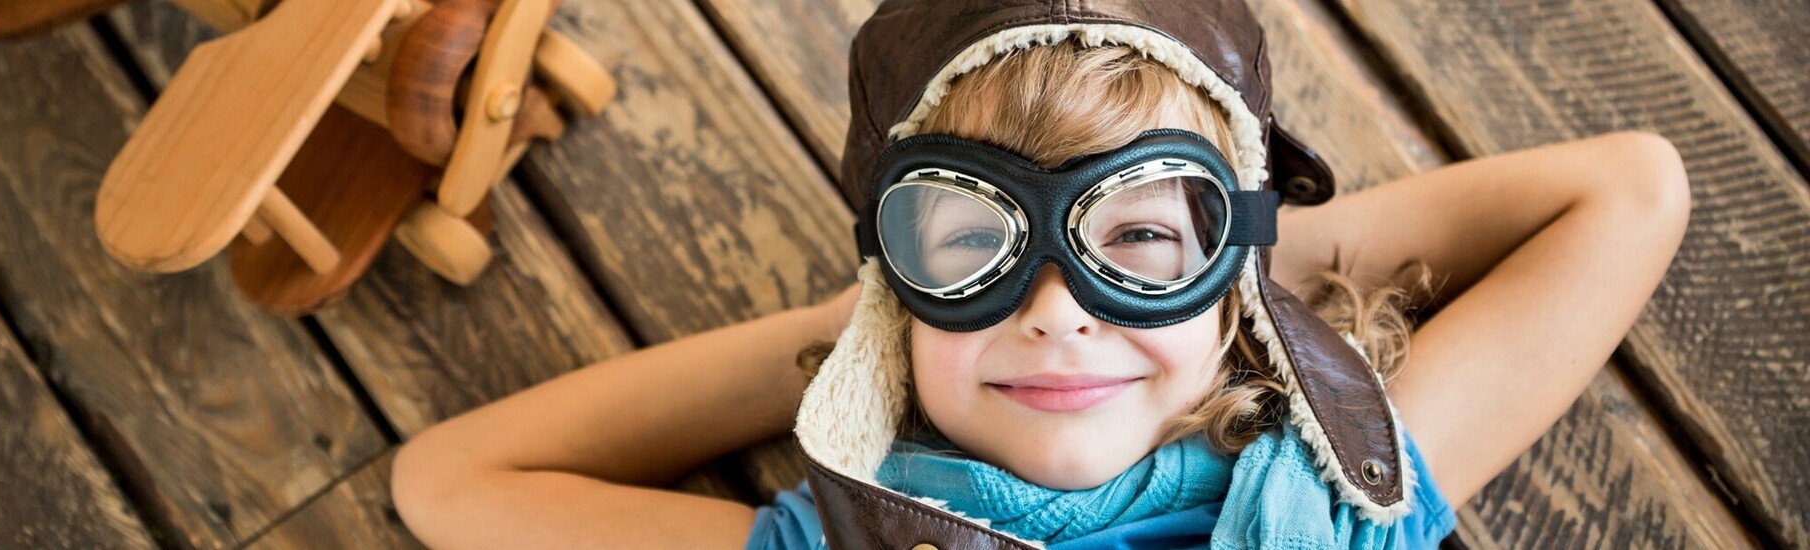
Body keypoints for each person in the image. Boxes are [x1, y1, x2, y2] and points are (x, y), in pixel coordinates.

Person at [388, 0, 1690, 548]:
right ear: (895, 292)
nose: (1060, 307)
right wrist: (870, 326)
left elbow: (1631, 188)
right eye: (969, 245)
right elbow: (447, 481)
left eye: (1142, 239)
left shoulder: (1338, 500)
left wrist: (1228, 258)